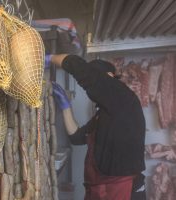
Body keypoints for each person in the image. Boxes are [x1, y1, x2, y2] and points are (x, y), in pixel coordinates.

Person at [45, 54, 146, 200]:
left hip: (123, 190)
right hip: (99, 189)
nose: (93, 90)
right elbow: (77, 137)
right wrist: (66, 107)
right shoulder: (105, 114)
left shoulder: (124, 98)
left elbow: (85, 73)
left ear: (110, 76)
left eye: (98, 79)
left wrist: (51, 58)